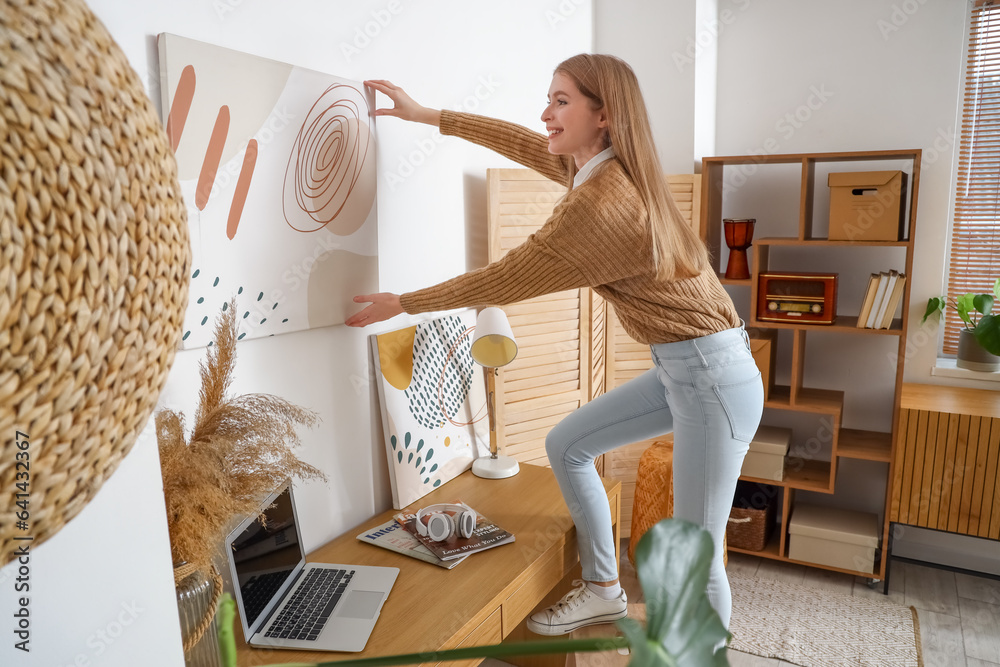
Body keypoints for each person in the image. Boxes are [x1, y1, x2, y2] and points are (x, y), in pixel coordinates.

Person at [347, 54, 764, 637]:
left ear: (604, 114)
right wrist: (430, 115)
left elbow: (501, 279)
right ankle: (602, 589)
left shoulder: (598, 206)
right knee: (567, 443)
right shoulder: (608, 169)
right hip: (689, 369)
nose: (545, 113)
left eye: (561, 101)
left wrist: (405, 302)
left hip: (712, 379)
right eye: (549, 99)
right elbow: (524, 142)